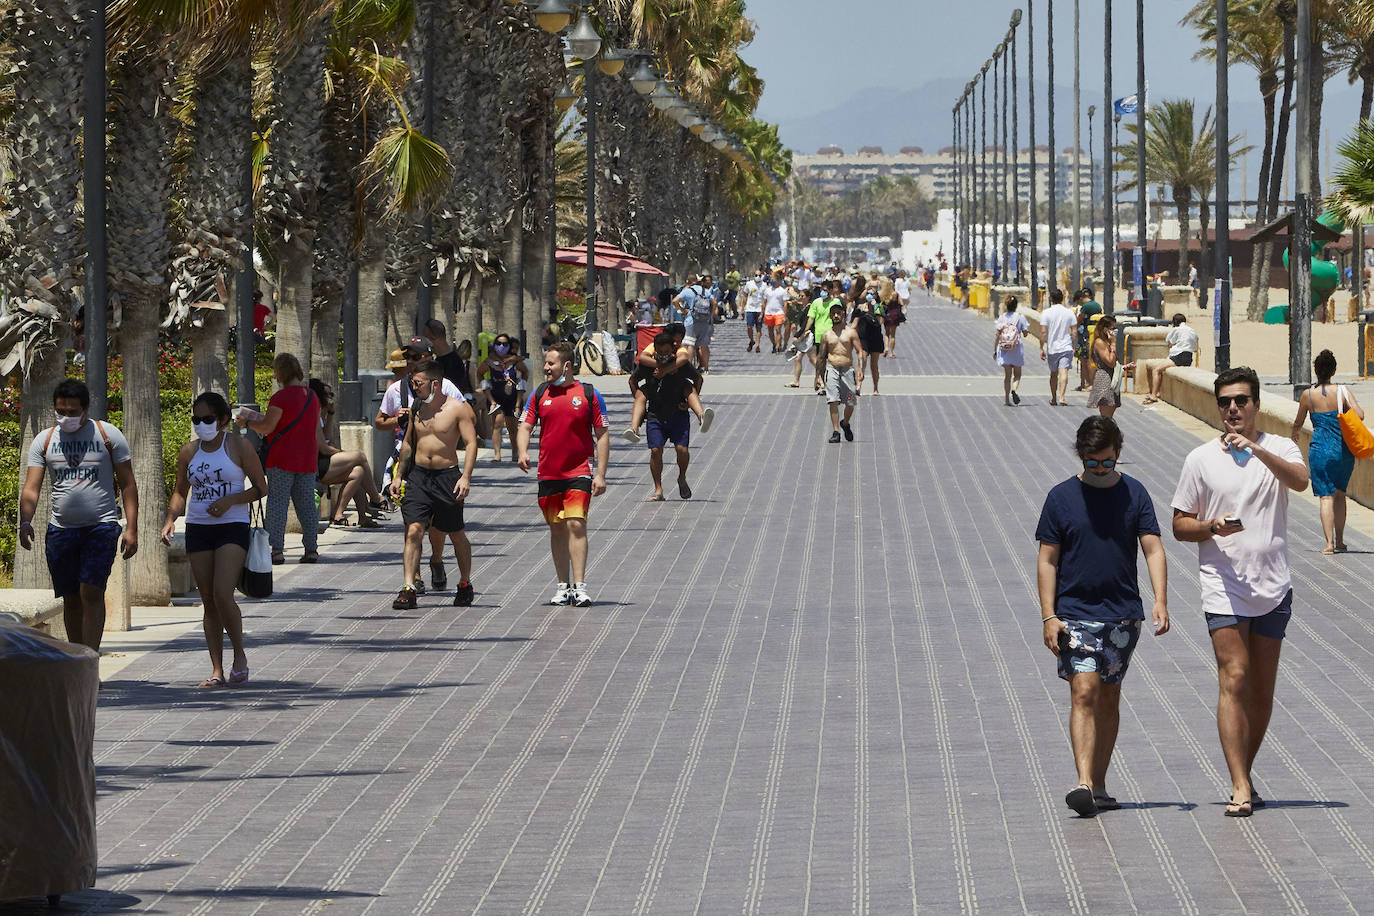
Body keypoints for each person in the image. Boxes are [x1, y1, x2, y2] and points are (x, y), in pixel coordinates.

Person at [1171, 366, 1309, 817]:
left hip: (1273, 585)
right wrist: (1211, 526)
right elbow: (1178, 524)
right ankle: (1240, 785)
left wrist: (1256, 449)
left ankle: (1242, 773)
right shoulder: (1200, 459)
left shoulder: (1281, 447)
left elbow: (1300, 481)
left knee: (1261, 691)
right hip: (1223, 585)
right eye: (1225, 401)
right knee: (1234, 676)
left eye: (1241, 401)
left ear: (1256, 405)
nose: (1233, 409)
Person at [1036, 416, 1168, 817]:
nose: (1099, 469)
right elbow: (1047, 559)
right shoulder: (1060, 498)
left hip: (1123, 616)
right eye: (1092, 462)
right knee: (1085, 691)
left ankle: (1100, 783)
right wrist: (1048, 615)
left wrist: (1160, 599)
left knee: (1109, 697)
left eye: (1107, 462)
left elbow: (1153, 549)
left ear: (1118, 455)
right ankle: (1083, 782)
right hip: (1074, 613)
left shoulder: (1135, 494)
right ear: (1081, 456)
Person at [19, 378, 139, 652]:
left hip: (101, 526)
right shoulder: (45, 440)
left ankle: (90, 659)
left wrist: (132, 528)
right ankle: (77, 658)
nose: (66, 417)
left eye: (72, 412)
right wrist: (25, 521)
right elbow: (31, 487)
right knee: (71, 597)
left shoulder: (108, 436)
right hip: (61, 530)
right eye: (61, 411)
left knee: (91, 591)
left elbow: (129, 483)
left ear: (85, 409)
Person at [161, 392, 267, 688]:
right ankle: (217, 669)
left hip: (232, 525)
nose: (201, 425)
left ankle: (240, 656)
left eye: (207, 419)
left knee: (223, 594)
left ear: (222, 420)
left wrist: (232, 499)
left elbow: (261, 487)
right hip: (198, 526)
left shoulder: (239, 446)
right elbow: (180, 491)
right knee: (208, 600)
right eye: (196, 419)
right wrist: (170, 518)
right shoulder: (189, 452)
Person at [516, 342, 610, 608]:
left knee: (575, 524)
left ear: (566, 366)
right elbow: (525, 426)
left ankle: (580, 587)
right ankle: (563, 586)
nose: (545, 367)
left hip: (579, 471)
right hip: (548, 474)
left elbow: (602, 435)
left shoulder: (589, 394)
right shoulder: (540, 393)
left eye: (550, 363)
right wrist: (522, 451)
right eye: (546, 363)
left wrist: (600, 475)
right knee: (557, 528)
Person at [388, 360, 478, 610]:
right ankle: (408, 588)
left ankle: (464, 583)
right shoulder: (416, 407)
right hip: (418, 477)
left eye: (418, 383)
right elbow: (408, 443)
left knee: (456, 533)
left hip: (447, 477)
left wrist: (466, 477)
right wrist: (399, 476)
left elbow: (471, 443)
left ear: (435, 384)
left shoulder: (457, 409)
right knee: (414, 530)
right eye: (413, 383)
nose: (414, 387)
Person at [374, 347, 464, 591]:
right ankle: (413, 578)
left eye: (417, 357)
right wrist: (398, 419)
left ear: (428, 358)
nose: (411, 362)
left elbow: (463, 418)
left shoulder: (447, 388)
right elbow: (379, 422)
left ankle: (436, 558)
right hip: (409, 461)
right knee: (413, 524)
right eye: (408, 358)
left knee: (436, 524)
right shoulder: (396, 390)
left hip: (441, 467)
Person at [237, 353, 320, 566]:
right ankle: (311, 549)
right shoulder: (312, 396)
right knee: (307, 505)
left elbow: (267, 427)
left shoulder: (280, 398)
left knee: (278, 504)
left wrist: (247, 423)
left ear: (279, 374)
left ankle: (276, 550)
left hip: (283, 457)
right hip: (307, 458)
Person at [1292, 349, 1363, 554]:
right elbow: (1360, 415)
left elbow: (1298, 422)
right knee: (1340, 495)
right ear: (1334, 370)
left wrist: (1294, 436)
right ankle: (1340, 541)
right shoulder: (1342, 391)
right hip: (1342, 450)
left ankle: (1329, 544)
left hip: (1320, 450)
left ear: (1315, 370)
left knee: (1326, 497)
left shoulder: (1307, 395)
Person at [308, 378, 383, 528]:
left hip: (323, 460)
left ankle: (354, 515)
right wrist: (341, 453)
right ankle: (376, 499)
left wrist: (330, 414)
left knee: (358, 471)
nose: (330, 398)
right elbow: (323, 447)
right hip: (315, 464)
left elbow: (327, 438)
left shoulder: (320, 412)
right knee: (359, 456)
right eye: (327, 395)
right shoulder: (311, 411)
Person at [639, 331, 699, 501]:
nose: (663, 355)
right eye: (660, 352)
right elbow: (633, 379)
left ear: (673, 349)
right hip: (655, 414)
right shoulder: (648, 362)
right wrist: (640, 399)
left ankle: (682, 477)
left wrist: (689, 401)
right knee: (655, 451)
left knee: (682, 450)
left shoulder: (680, 361)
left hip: (678, 414)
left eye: (666, 352)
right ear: (654, 348)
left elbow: (697, 378)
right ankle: (658, 489)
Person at [479, 333, 529, 461]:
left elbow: (525, 371)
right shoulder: (489, 361)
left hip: (512, 398)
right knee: (497, 425)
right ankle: (497, 455)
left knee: (512, 427)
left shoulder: (514, 361)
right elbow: (480, 373)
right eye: (499, 343)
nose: (502, 346)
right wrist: (485, 387)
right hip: (496, 398)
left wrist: (521, 385)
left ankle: (515, 453)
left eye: (505, 344)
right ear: (494, 345)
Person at [820, 301, 863, 443]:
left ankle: (845, 423)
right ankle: (836, 431)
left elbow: (860, 352)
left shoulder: (851, 332)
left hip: (847, 369)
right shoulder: (826, 335)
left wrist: (860, 369)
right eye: (833, 314)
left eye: (838, 313)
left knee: (850, 402)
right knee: (833, 400)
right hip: (831, 368)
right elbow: (821, 357)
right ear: (830, 316)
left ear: (843, 314)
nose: (836, 316)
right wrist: (819, 377)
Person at [1141, 313, 1200, 405]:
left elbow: (1169, 342)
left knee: (1156, 370)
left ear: (1175, 322)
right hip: (1188, 357)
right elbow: (1195, 346)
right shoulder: (1192, 331)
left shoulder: (1176, 329)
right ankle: (1157, 392)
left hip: (1178, 356)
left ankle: (1153, 395)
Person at [1086, 316, 1132, 419]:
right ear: (1104, 329)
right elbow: (1110, 362)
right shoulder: (1100, 343)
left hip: (1112, 379)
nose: (1114, 331)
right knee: (1106, 417)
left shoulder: (1107, 342)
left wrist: (1125, 367)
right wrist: (1114, 343)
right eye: (1112, 328)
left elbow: (1113, 363)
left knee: (1109, 416)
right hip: (1105, 380)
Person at [1038, 288, 1076, 406]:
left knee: (1054, 373)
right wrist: (1074, 346)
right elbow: (1074, 332)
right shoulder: (1069, 312)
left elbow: (1043, 332)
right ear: (1062, 299)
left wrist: (1041, 348)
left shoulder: (1046, 313)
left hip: (1053, 348)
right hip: (1066, 347)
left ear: (1051, 299)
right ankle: (1062, 397)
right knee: (1064, 371)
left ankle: (1054, 398)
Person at [848, 277, 885, 394]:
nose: (869, 296)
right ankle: (858, 385)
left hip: (875, 337)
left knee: (874, 365)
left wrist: (874, 309)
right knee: (862, 359)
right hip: (863, 336)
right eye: (868, 294)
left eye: (872, 294)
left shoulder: (879, 307)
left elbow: (880, 322)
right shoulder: (860, 305)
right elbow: (854, 323)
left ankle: (876, 388)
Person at [992, 295, 1030, 406]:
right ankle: (1014, 389)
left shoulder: (1002, 317)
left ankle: (1006, 400)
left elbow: (997, 335)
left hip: (1005, 350)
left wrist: (995, 350)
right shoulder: (1020, 317)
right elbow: (1025, 333)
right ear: (1016, 305)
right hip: (1016, 348)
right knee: (1017, 374)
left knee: (1007, 375)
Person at [762, 273, 788, 353]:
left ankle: (777, 346)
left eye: (773, 279)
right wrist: (761, 313)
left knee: (778, 330)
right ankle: (774, 343)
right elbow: (764, 302)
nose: (771, 281)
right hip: (769, 313)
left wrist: (784, 315)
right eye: (771, 279)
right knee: (770, 331)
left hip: (779, 313)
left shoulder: (782, 291)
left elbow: (785, 304)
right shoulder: (767, 290)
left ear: (777, 280)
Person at [881, 276, 905, 358]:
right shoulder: (896, 294)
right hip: (895, 316)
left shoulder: (883, 295)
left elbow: (881, 306)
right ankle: (891, 353)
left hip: (887, 316)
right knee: (893, 335)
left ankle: (886, 347)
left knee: (887, 333)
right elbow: (902, 304)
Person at [742, 271, 766, 352]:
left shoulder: (764, 285)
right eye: (756, 275)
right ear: (753, 275)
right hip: (750, 309)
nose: (758, 276)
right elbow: (745, 296)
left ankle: (757, 345)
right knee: (749, 327)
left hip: (759, 309)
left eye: (759, 275)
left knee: (758, 328)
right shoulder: (749, 284)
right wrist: (742, 308)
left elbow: (764, 300)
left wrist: (762, 312)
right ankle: (752, 341)